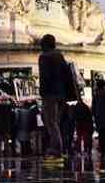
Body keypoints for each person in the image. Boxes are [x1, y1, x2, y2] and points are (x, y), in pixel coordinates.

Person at [38, 34, 69, 164]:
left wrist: (42, 91)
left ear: (44, 44)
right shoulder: (60, 56)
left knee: (51, 122)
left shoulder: (44, 57)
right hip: (61, 94)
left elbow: (45, 76)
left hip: (49, 93)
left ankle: (56, 149)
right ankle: (58, 148)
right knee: (56, 122)